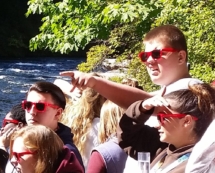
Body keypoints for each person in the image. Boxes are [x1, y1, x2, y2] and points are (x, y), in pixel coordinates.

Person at [61, 24, 201, 109]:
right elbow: (145, 98)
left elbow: (142, 101)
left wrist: (94, 82)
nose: (149, 61)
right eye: (145, 56)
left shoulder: (193, 90)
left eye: (157, 54)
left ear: (181, 57)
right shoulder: (169, 89)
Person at [60, 79, 107, 165]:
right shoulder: (100, 125)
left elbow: (57, 82)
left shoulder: (68, 117)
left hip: (69, 170)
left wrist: (71, 91)